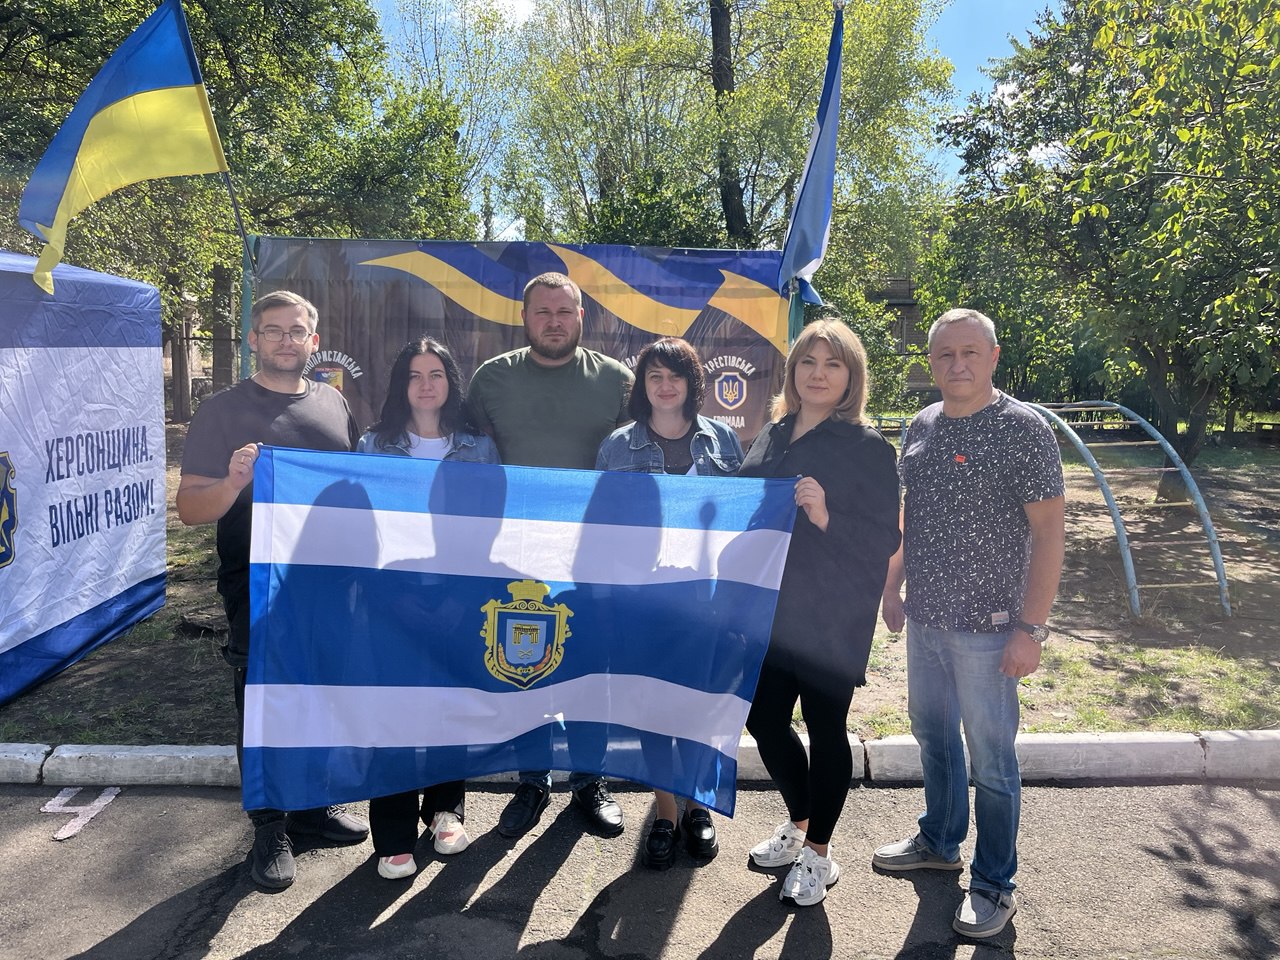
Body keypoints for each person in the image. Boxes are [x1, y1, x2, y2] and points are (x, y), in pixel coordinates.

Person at [873, 307, 1065, 939]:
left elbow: (1050, 533)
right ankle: (940, 840)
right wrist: (893, 584)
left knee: (992, 761)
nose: (956, 365)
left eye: (969, 353)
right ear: (930, 363)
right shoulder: (921, 426)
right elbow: (912, 515)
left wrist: (1031, 630)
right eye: (944, 355)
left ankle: (994, 883)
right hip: (926, 621)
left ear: (993, 357)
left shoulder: (1024, 429)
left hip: (991, 628)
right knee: (933, 737)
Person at [177, 290, 369, 890]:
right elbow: (189, 508)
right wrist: (234, 481)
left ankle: (311, 808)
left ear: (315, 341)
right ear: (254, 339)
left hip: (329, 582)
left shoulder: (334, 402)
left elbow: (355, 486)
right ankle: (268, 825)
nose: (287, 340)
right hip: (258, 584)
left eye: (297, 331)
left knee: (319, 692)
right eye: (274, 330)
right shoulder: (222, 410)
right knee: (263, 700)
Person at [736, 318, 901, 907]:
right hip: (772, 608)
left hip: (833, 613)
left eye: (833, 364)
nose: (819, 374)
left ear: (852, 377)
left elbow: (884, 539)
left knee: (826, 728)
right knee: (763, 720)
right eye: (808, 362)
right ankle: (801, 822)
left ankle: (820, 854)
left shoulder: (868, 447)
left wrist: (827, 516)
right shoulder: (773, 434)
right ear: (793, 371)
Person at [466, 271, 633, 839]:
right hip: (517, 555)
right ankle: (532, 781)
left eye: (565, 312)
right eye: (543, 312)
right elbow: (466, 459)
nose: (554, 322)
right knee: (524, 664)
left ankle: (589, 780)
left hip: (593, 555)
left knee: (589, 669)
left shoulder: (617, 381)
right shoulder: (491, 379)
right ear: (524, 317)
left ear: (582, 317)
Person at [594, 337, 743, 869]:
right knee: (654, 707)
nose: (664, 385)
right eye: (654, 375)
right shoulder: (617, 447)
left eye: (675, 375)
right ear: (642, 385)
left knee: (700, 706)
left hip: (708, 602)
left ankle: (698, 805)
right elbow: (601, 527)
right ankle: (664, 811)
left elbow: (742, 518)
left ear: (692, 383)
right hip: (644, 604)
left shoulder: (723, 441)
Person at [355, 336, 500, 880]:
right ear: (401, 385)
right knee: (392, 711)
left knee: (449, 704)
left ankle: (445, 810)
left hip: (458, 595)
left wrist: (463, 600)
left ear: (450, 382)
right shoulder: (373, 445)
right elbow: (360, 528)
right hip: (391, 596)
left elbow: (490, 528)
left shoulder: (479, 448)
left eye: (435, 373)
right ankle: (393, 834)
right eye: (414, 374)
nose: (425, 384)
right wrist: (391, 599)